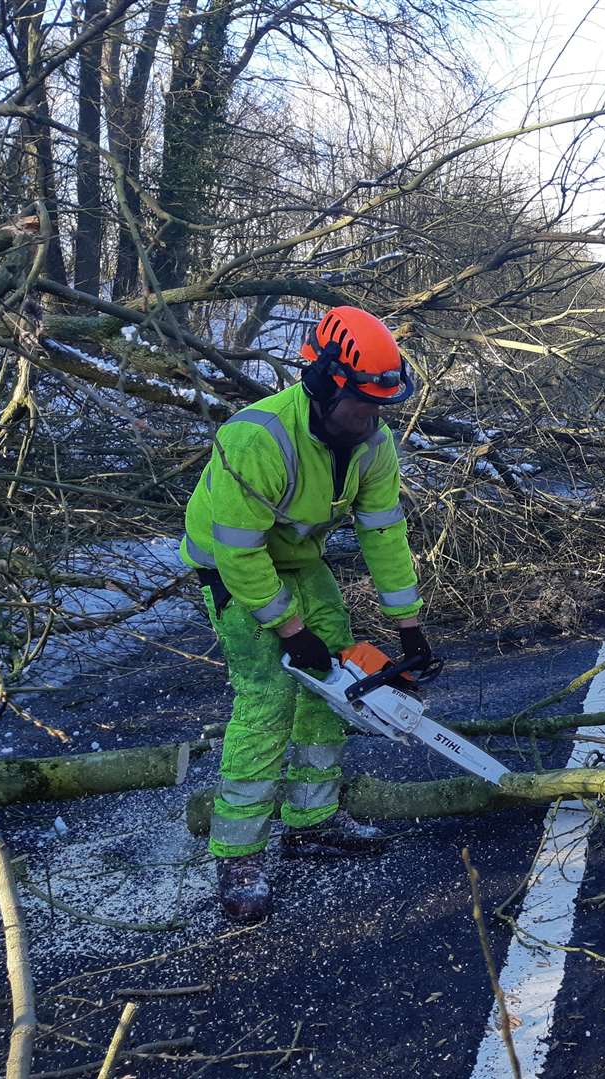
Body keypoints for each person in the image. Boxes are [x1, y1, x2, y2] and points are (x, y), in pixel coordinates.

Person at [179, 306, 436, 922]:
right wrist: (291, 632)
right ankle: (238, 854)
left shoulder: (373, 444)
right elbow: (240, 554)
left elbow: (383, 533)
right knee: (268, 693)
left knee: (338, 680)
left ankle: (312, 817)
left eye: (381, 405)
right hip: (232, 563)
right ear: (323, 382)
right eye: (361, 402)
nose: (372, 417)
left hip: (298, 557)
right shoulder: (257, 436)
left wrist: (409, 625)